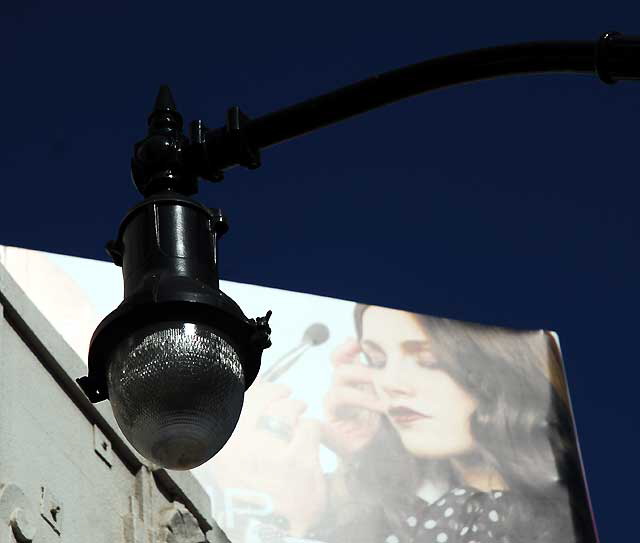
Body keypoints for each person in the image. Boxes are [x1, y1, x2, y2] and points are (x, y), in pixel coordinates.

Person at [205, 304, 598, 543]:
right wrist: (359, 463)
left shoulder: (556, 515)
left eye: (427, 360)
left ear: (495, 369)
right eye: (377, 361)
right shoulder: (411, 504)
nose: (391, 383)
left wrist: (289, 519)